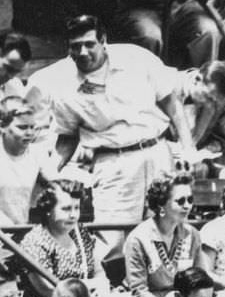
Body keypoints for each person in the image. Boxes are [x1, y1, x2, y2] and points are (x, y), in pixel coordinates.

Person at [27, 15, 194, 228]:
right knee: (111, 240)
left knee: (166, 229)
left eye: (89, 44)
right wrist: (51, 171)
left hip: (157, 153)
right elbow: (68, 136)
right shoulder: (63, 82)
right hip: (113, 163)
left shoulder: (136, 57)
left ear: (103, 40)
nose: (83, 53)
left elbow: (173, 105)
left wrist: (188, 148)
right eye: (75, 47)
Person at [17, 179, 106, 297]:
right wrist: (91, 287)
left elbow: (98, 271)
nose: (73, 215)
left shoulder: (79, 232)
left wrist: (101, 286)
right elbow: (49, 289)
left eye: (76, 208)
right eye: (66, 209)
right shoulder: (34, 241)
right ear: (48, 210)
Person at [123, 172, 202, 297]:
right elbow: (138, 290)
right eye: (181, 201)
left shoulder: (192, 235)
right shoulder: (138, 239)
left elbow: (199, 279)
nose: (187, 206)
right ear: (161, 206)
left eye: (190, 200)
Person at [0, 97, 59, 226]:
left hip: (20, 231)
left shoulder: (38, 153)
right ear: (2, 127)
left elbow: (58, 186)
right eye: (22, 127)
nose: (30, 133)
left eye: (33, 127)